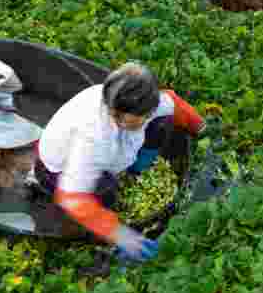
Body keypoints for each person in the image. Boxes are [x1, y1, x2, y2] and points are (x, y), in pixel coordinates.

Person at [31, 62, 205, 262]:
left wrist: (201, 127)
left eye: (145, 114)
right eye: (117, 117)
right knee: (107, 189)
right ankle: (76, 222)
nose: (118, 120)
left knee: (162, 122)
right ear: (112, 109)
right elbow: (73, 197)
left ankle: (137, 165)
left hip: (109, 154)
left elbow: (174, 104)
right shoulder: (95, 137)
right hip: (56, 169)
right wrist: (121, 236)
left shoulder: (148, 105)